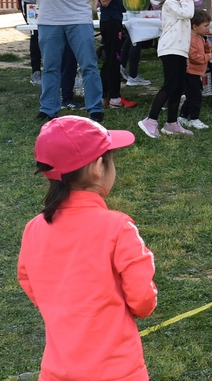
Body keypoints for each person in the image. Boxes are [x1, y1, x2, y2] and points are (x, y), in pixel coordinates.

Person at [18, 115, 157, 381]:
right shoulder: (118, 227)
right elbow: (142, 301)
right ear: (97, 167)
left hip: (56, 372)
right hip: (118, 371)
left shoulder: (34, 228)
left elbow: (30, 282)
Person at [138, 0, 198, 138]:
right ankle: (150, 120)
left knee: (179, 86)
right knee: (170, 85)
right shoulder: (171, 3)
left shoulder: (181, 2)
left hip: (179, 50)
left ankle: (172, 123)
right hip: (170, 49)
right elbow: (188, 13)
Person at [96, 0, 138, 109]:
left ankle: (104, 94)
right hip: (109, 21)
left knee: (112, 58)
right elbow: (104, 1)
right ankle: (114, 98)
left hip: (116, 19)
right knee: (114, 59)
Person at [178, 10, 212, 130]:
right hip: (190, 73)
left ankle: (183, 117)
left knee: (191, 96)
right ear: (195, 26)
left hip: (197, 73)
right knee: (196, 97)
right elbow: (194, 57)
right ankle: (194, 118)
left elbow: (204, 52)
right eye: (205, 26)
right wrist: (208, 57)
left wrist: (208, 48)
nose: (208, 28)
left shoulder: (201, 38)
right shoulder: (191, 40)